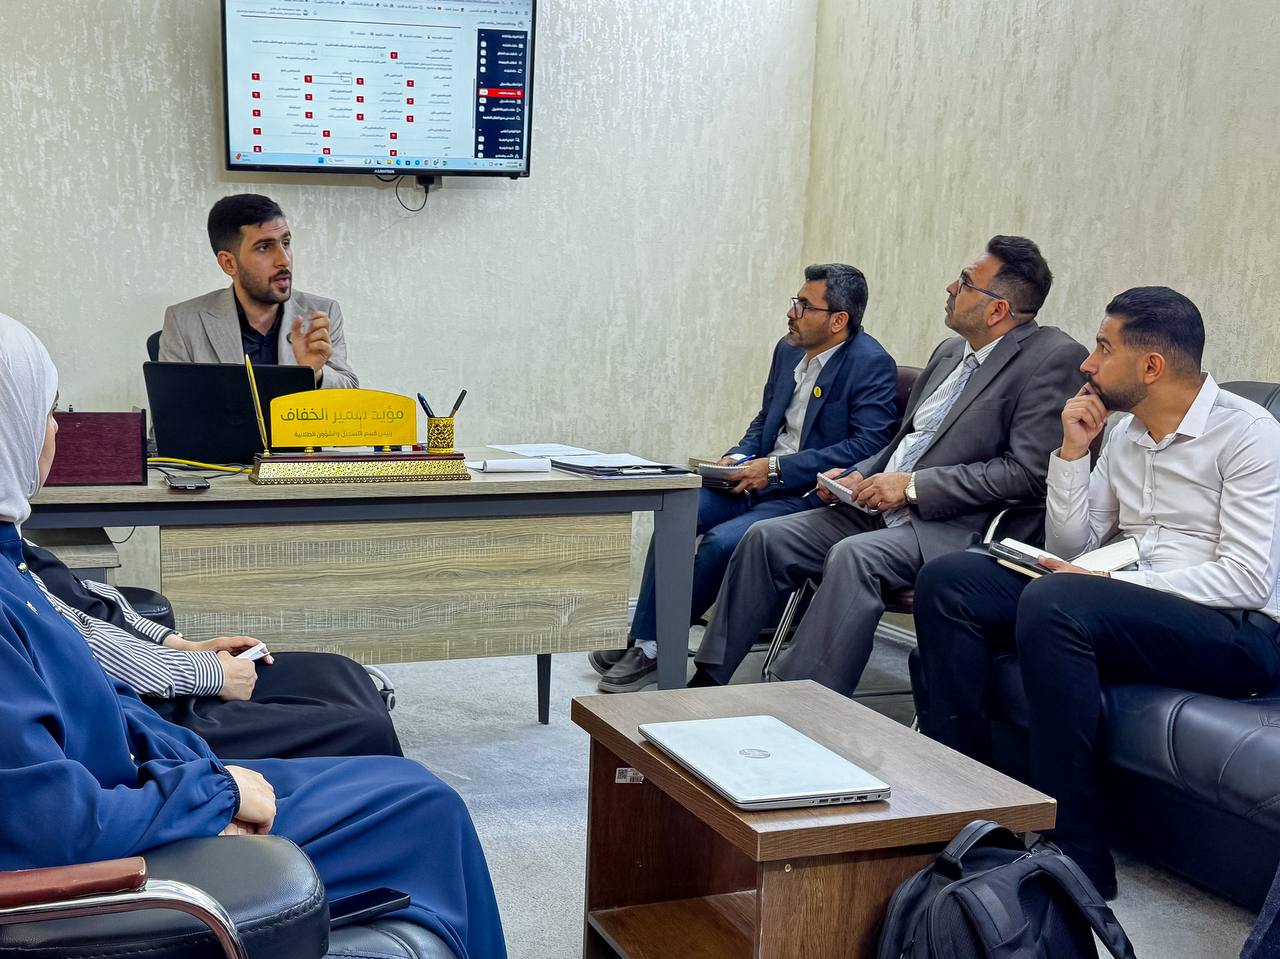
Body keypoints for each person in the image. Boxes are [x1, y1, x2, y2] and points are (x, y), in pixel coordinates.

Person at [0, 312, 503, 958]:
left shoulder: (13, 562)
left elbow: (96, 696)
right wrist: (215, 793)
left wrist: (203, 767)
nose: (57, 429)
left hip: (155, 793)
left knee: (403, 775)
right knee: (426, 806)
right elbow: (50, 822)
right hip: (132, 854)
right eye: (46, 411)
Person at [912, 287, 1280, 899]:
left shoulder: (1250, 435)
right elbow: (1074, 542)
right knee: (951, 581)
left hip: (1237, 631)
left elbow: (1247, 578)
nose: (1088, 363)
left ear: (1151, 366)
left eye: (1104, 348)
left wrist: (1109, 583)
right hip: (1126, 601)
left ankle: (1076, 852)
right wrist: (1072, 454)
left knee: (1057, 603)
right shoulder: (1129, 433)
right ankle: (966, 805)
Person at [692, 236, 1087, 693]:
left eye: (964, 282)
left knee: (853, 557)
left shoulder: (1052, 358)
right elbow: (903, 441)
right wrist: (860, 473)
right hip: (874, 507)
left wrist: (912, 486)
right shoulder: (948, 352)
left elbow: (1027, 473)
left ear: (998, 309)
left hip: (950, 527)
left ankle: (797, 704)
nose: (950, 288)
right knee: (766, 537)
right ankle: (708, 678)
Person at [592, 263, 898, 691]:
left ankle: (652, 647)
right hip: (752, 476)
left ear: (838, 320)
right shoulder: (788, 350)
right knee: (677, 511)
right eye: (795, 302)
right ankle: (647, 639)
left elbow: (867, 446)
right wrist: (738, 455)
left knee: (721, 542)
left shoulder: (871, 364)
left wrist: (775, 469)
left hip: (802, 494)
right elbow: (766, 419)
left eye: (804, 305)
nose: (791, 312)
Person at [20, 540, 402, 760]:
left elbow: (94, 605)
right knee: (360, 725)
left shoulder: (16, 537)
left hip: (160, 673)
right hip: (142, 716)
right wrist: (211, 673)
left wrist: (184, 645)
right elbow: (81, 648)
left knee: (336, 671)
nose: (55, 432)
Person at [159, 194, 358, 388]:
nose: (284, 260)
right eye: (264, 247)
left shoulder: (320, 313)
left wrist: (315, 373)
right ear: (229, 263)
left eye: (286, 243)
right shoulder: (184, 321)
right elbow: (170, 406)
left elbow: (349, 393)